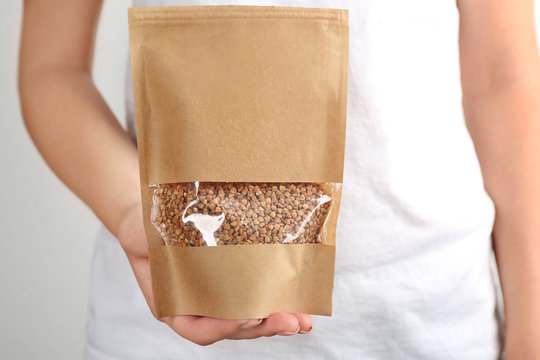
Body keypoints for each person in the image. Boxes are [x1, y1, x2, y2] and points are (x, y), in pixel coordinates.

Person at [18, 0, 540, 359]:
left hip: (430, 323)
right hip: (159, 330)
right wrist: (139, 217)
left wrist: (531, 336)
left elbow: (504, 79)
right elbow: (52, 66)